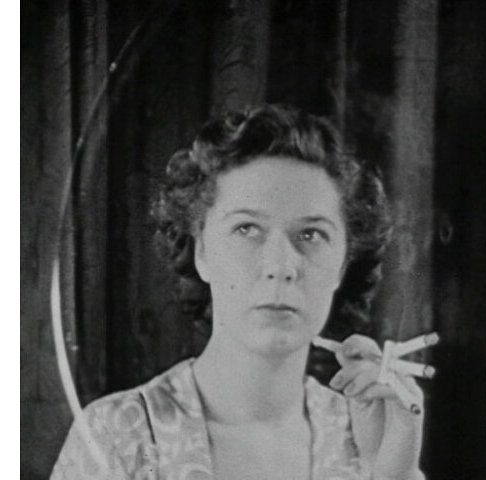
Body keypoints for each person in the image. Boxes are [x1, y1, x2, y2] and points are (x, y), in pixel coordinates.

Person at [50, 104, 426, 480]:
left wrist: (393, 473)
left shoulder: (366, 434)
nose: (280, 265)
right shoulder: (118, 435)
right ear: (201, 252)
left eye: (311, 234)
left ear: (343, 265)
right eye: (246, 229)